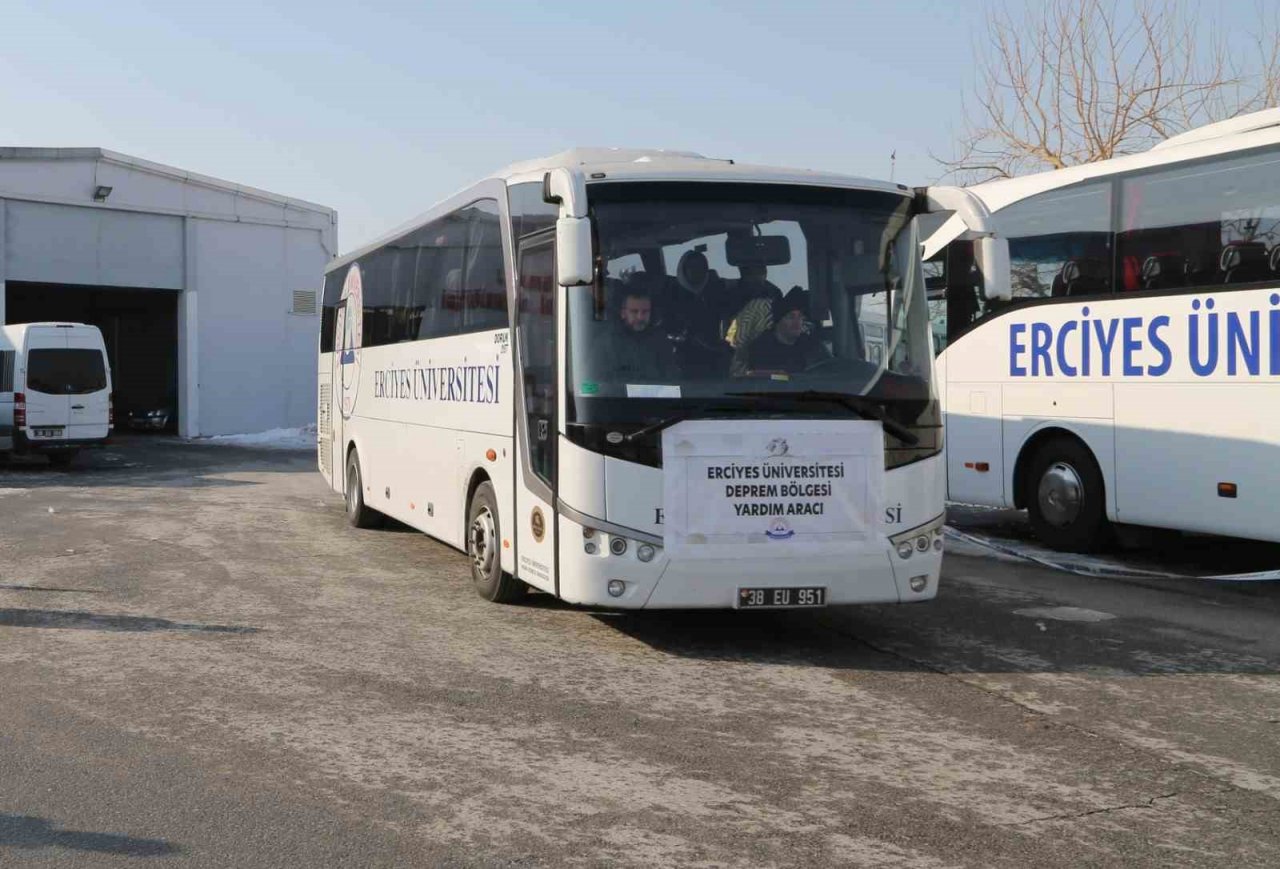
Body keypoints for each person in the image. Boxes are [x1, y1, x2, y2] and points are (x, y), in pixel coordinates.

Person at [607, 278, 678, 382]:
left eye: (645, 312)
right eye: (634, 312)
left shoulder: (661, 341)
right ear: (623, 313)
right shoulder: (607, 344)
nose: (640, 317)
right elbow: (599, 386)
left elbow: (673, 380)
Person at [743, 290, 831, 374]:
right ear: (778, 322)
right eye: (791, 317)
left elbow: (829, 369)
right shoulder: (761, 349)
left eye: (800, 317)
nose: (797, 322)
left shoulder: (812, 345)